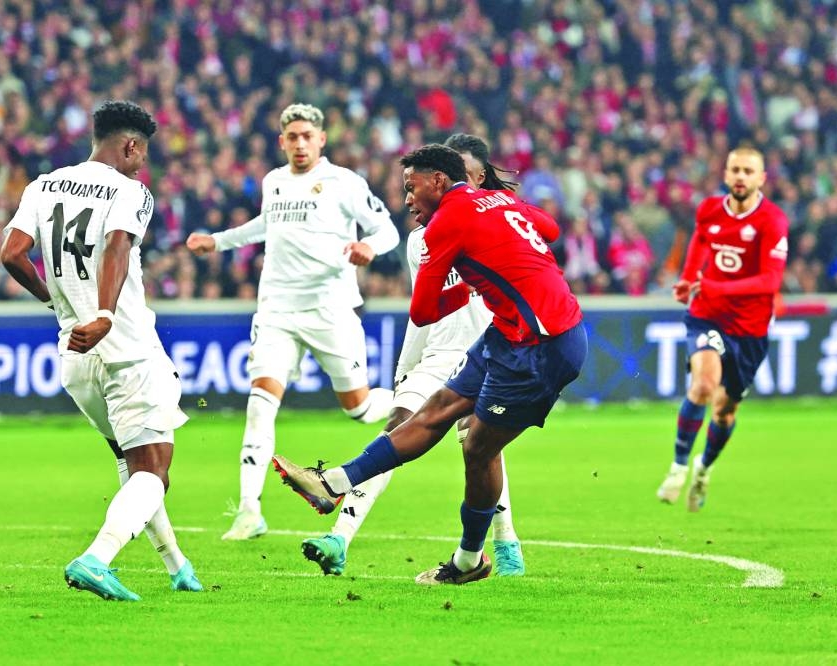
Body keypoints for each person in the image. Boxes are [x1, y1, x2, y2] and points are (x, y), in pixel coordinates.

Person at [272, 144, 586, 585]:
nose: (406, 200)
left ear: (438, 181)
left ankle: (471, 560)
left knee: (478, 447)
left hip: (542, 344)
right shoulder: (498, 199)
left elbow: (421, 312)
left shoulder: (444, 226)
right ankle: (333, 484)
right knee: (437, 410)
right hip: (511, 331)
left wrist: (464, 274)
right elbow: (549, 227)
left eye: (410, 187)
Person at [0, 100, 202, 601]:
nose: (143, 163)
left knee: (135, 465)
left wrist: (55, 300)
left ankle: (177, 565)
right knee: (154, 471)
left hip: (75, 355)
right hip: (126, 348)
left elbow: (11, 254)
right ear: (130, 145)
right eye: (143, 153)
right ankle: (97, 558)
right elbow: (116, 245)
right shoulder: (131, 190)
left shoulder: (43, 184)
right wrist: (105, 314)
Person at [299, 134, 526, 578]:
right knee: (397, 430)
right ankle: (339, 539)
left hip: (487, 353)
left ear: (477, 178)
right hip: (438, 356)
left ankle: (506, 541)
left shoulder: (498, 227)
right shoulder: (420, 239)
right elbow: (421, 313)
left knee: (479, 447)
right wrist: (405, 371)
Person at [185, 103, 399, 540]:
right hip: (277, 309)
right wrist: (219, 242)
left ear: (321, 140)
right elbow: (267, 225)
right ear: (281, 141)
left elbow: (388, 229)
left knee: (358, 409)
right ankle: (249, 510)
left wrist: (370, 249)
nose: (300, 143)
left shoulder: (345, 182)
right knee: (260, 403)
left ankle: (408, 403)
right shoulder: (274, 182)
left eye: (307, 136)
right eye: (292, 137)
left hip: (330, 308)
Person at [656, 146, 789, 512]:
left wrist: (716, 286)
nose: (741, 177)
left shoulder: (772, 221)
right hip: (708, 314)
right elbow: (701, 238)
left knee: (724, 410)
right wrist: (688, 280)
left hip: (749, 328)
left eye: (749, 171)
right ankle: (678, 467)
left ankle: (703, 467)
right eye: (735, 170)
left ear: (761, 178)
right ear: (726, 174)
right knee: (702, 384)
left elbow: (769, 280)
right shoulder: (709, 209)